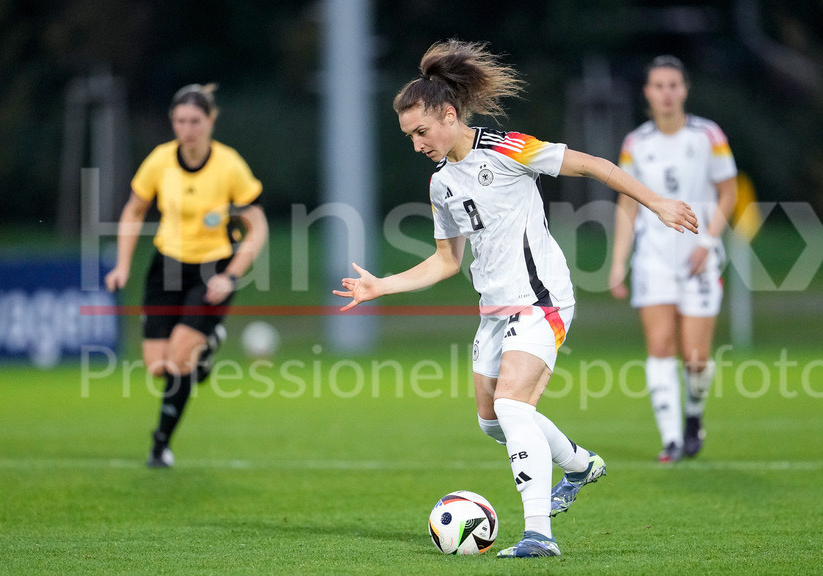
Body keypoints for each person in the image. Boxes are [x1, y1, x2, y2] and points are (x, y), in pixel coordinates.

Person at [334, 40, 698, 558]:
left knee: (511, 405)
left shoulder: (507, 150)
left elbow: (594, 165)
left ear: (449, 114)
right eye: (409, 136)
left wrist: (657, 202)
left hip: (541, 298)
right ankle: (577, 464)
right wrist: (381, 285)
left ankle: (539, 535)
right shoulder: (441, 185)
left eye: (421, 132)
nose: (416, 145)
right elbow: (446, 261)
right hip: (494, 310)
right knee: (492, 420)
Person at [105, 83, 269, 468]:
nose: (187, 128)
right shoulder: (160, 161)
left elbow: (257, 227)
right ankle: (207, 349)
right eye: (180, 121)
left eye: (195, 120)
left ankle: (160, 444)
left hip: (211, 270)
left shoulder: (229, 165)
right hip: (166, 266)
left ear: (210, 120)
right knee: (158, 367)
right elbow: (133, 211)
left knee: (179, 362)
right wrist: (122, 264)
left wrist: (230, 275)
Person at [608, 56, 738, 464]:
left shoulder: (707, 135)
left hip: (698, 259)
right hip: (653, 260)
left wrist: (709, 241)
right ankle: (670, 440)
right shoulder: (635, 143)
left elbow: (728, 194)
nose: (666, 93)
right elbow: (626, 206)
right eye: (658, 86)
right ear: (647, 92)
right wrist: (618, 263)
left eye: (673, 85)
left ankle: (693, 418)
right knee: (660, 344)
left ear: (685, 90)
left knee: (695, 358)